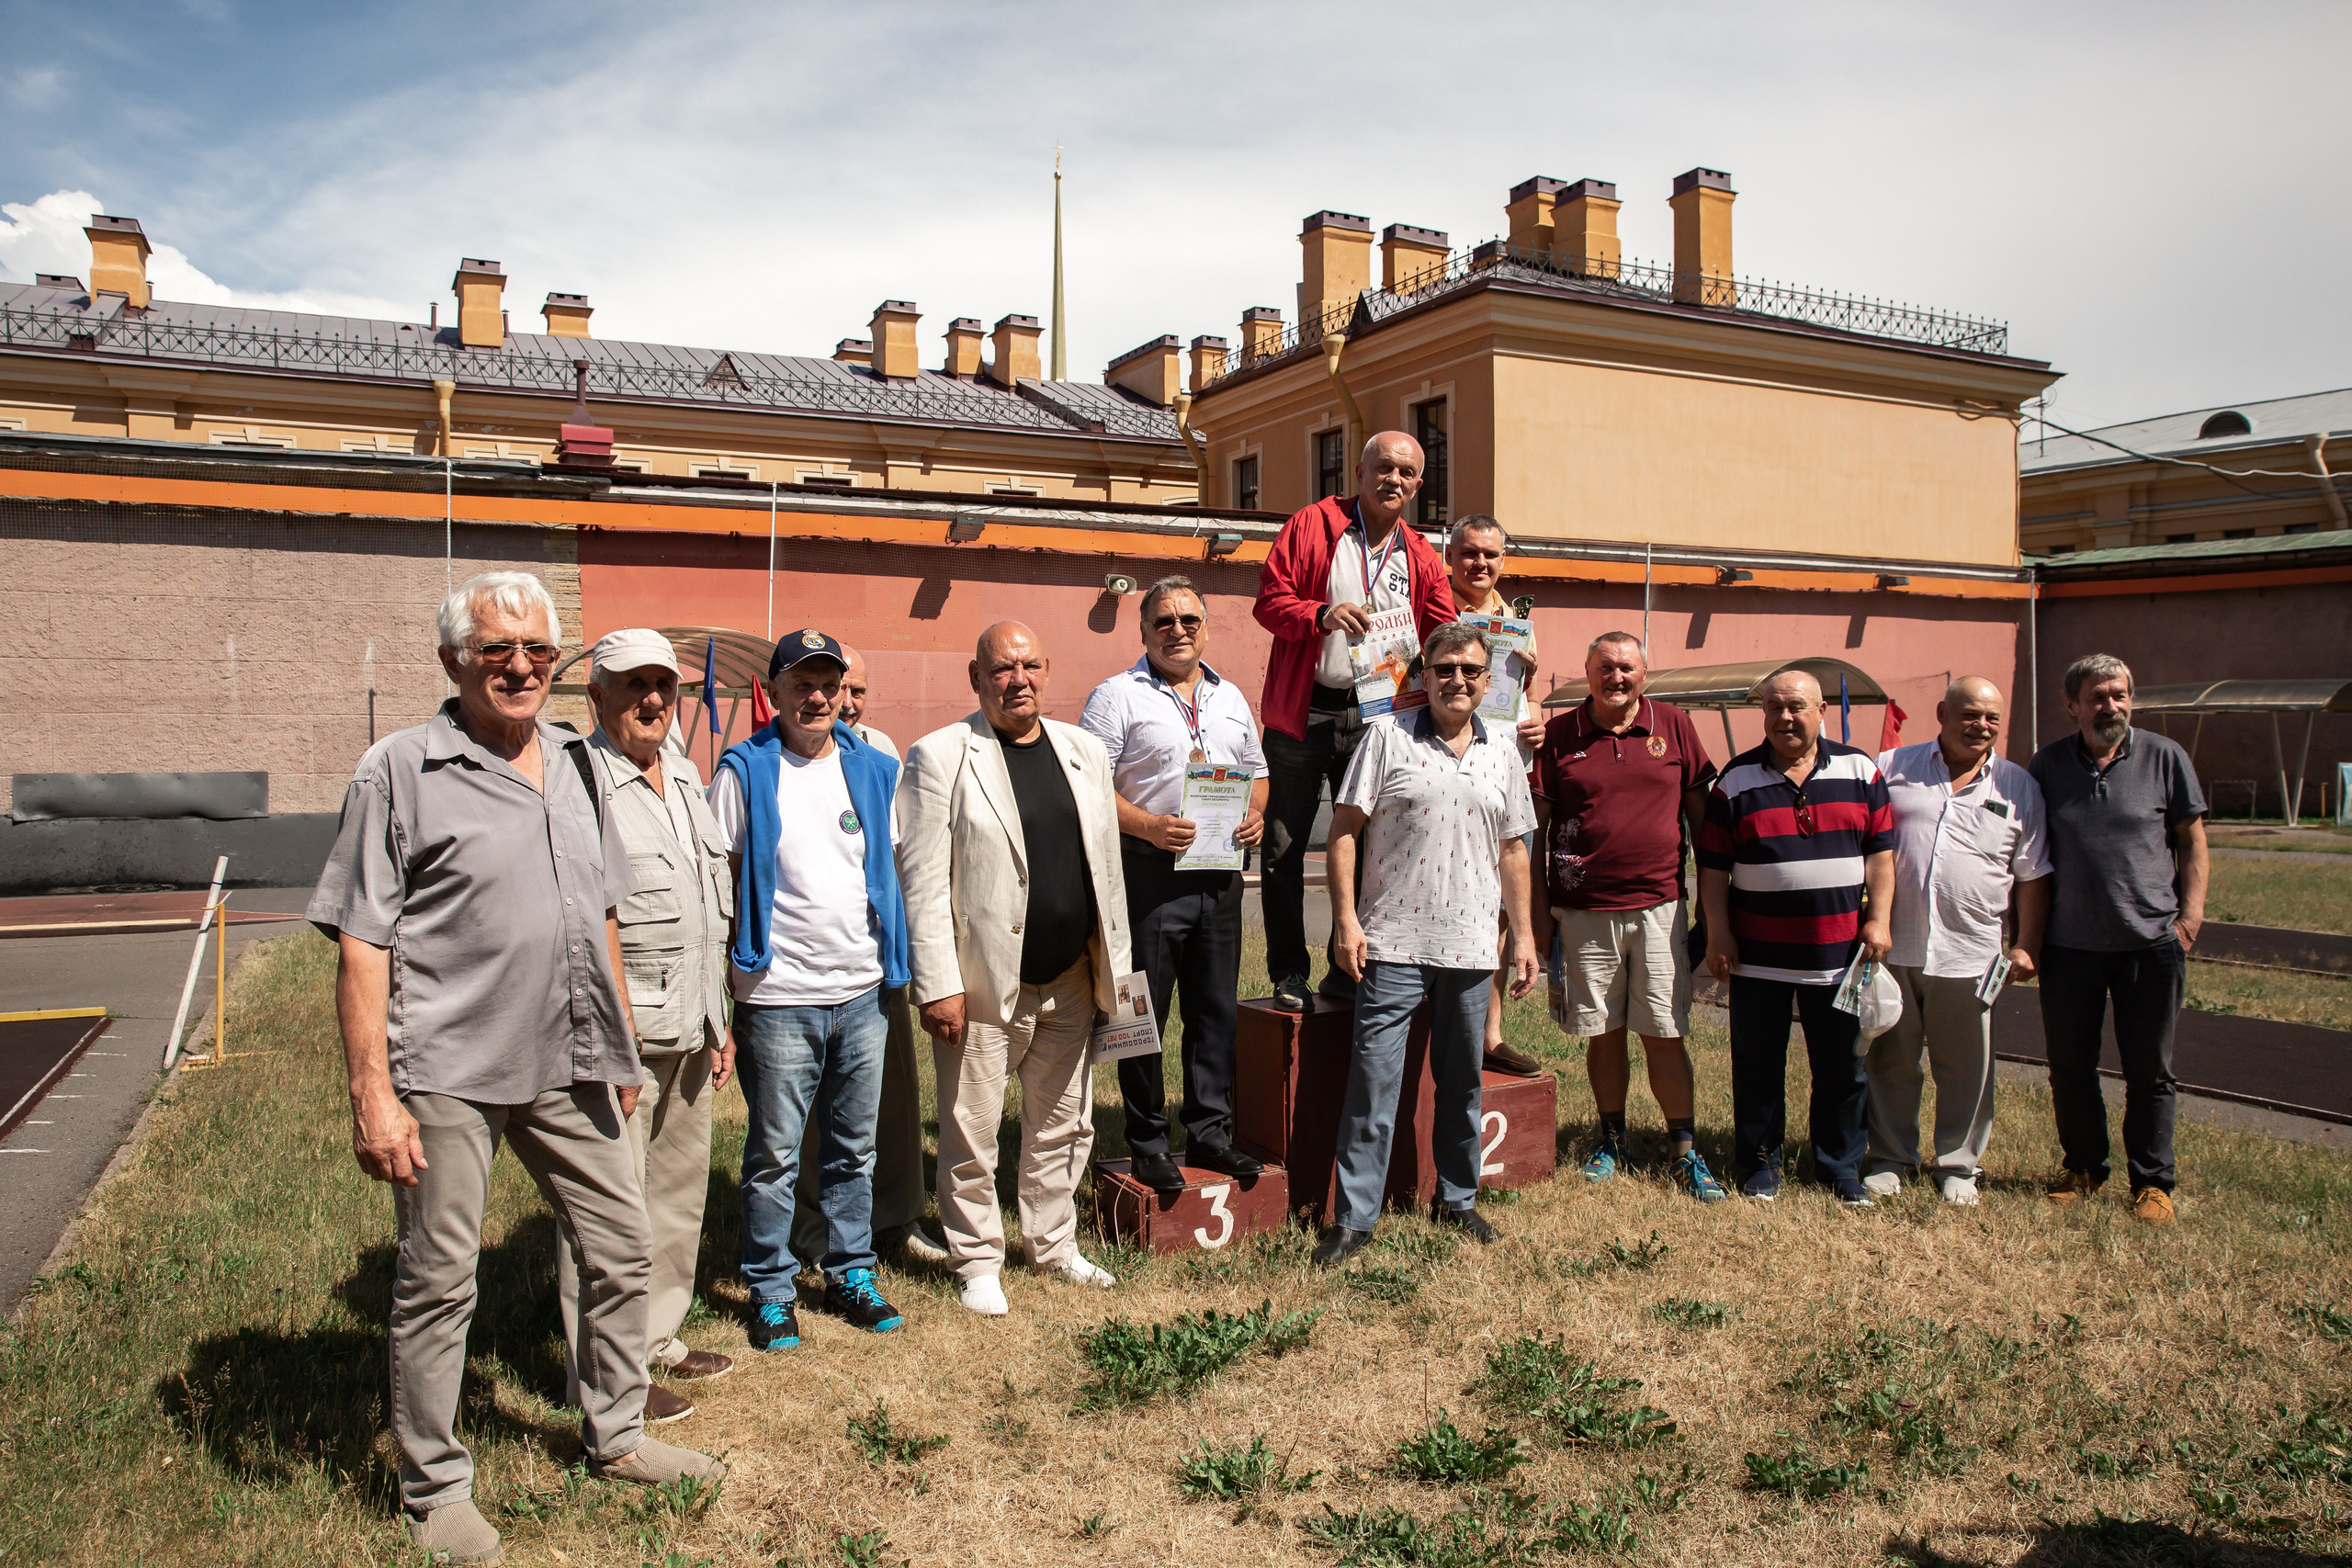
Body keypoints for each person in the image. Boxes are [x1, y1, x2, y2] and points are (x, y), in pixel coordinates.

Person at [310, 571, 720, 1564]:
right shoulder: (400, 770)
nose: (523, 667)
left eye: (539, 651)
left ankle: (616, 1433)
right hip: (447, 1067)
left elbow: (605, 913)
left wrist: (619, 1042)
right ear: (454, 659)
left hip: (572, 1061)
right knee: (440, 1281)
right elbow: (363, 942)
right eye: (499, 650)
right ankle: (435, 1489)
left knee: (623, 1248)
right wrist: (374, 1094)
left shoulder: (581, 765)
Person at [897, 621, 1133, 1315]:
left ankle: (1053, 1242)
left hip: (1069, 977)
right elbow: (922, 880)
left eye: (1029, 665)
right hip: (980, 984)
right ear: (976, 678)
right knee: (971, 1126)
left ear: (1047, 669)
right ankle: (976, 1257)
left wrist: (1113, 965)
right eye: (1001, 668)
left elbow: (1105, 867)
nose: (1016, 679)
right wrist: (937, 982)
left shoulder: (1085, 751)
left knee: (1063, 1122)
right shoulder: (940, 756)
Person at [709, 629, 910, 1350]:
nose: (818, 696)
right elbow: (719, 883)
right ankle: (770, 1285)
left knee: (854, 1149)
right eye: (802, 682)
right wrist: (718, 999)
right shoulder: (744, 772)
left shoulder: (876, 769)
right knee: (775, 1155)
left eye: (829, 682)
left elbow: (890, 868)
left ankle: (850, 1270)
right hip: (777, 996)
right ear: (775, 693)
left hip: (861, 995)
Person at [1314, 623, 1539, 1266]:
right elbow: (1344, 831)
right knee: (1374, 1084)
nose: (1457, 681)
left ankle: (1458, 1199)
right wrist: (1345, 922)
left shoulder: (1503, 754)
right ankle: (1356, 1219)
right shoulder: (1385, 738)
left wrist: (1522, 936)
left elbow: (1515, 848)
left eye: (1470, 670)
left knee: (1462, 1082)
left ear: (1487, 680)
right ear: (1423, 674)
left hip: (1471, 948)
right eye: (1444, 669)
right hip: (1392, 943)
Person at [555, 629, 736, 1425]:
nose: (653, 700)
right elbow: (589, 921)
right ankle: (599, 1372)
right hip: (621, 1038)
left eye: (664, 684)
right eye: (633, 685)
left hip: (692, 1025)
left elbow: (705, 907)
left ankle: (656, 1335)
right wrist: (612, 1037)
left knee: (673, 1198)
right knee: (607, 1212)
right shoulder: (578, 781)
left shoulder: (689, 775)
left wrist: (720, 1020)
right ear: (596, 697)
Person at [1252, 431, 1457, 1011]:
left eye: (1407, 472)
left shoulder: (1420, 553)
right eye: (1384, 467)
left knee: (1372, 849)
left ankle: (1352, 973)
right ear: (1360, 473)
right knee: (1284, 848)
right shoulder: (1312, 526)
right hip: (1304, 711)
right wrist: (1320, 614)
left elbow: (1446, 630)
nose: (1394, 479)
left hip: (1379, 717)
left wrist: (1505, 654)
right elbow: (1269, 602)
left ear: (1419, 485)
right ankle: (1288, 973)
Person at [1080, 576, 1271, 1194]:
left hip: (1220, 875)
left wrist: (1257, 812)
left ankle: (1210, 1133)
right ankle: (1147, 1142)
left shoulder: (1232, 696)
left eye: (1190, 619)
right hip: (1147, 872)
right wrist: (1148, 824)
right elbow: (1090, 787)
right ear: (1143, 631)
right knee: (1142, 1014)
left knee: (1214, 1011)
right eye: (1164, 621)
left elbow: (1258, 773)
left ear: (1206, 628)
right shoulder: (1115, 697)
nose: (1178, 630)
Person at [1530, 631, 1727, 1201]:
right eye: (1605, 668)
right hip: (1584, 912)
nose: (1617, 678)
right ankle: (1611, 1139)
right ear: (1587, 673)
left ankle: (1683, 1150)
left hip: (1662, 910)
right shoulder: (1560, 735)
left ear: (1645, 674)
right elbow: (1535, 834)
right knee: (1604, 1032)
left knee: (1664, 1032)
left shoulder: (1674, 726)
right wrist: (1540, 917)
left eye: (1628, 669)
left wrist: (1714, 913)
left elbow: (1703, 825)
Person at [1697, 669, 1894, 1208]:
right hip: (1757, 955)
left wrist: (1878, 921)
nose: (1786, 717)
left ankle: (1839, 1168)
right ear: (1763, 713)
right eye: (1776, 707)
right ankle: (1760, 1165)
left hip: (1838, 954)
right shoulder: (1735, 780)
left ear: (1822, 710)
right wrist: (1719, 933)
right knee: (1757, 1066)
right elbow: (1713, 869)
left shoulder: (1861, 770)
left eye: (1798, 706)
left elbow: (1881, 855)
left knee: (1841, 1068)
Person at [2030, 653, 2207, 1224]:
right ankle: (2083, 1167)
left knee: (2150, 1071)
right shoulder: (2048, 766)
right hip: (2069, 947)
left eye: (2120, 695)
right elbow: (2030, 856)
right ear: (2072, 705)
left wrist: (2190, 918)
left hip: (2151, 943)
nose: (2110, 706)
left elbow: (2192, 839)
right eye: (2098, 697)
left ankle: (2152, 1183)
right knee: (2070, 1066)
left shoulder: (2165, 757)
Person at [789, 646, 950, 1269]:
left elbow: (905, 855)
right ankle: (813, 1230)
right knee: (809, 1111)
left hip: (879, 957)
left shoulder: (883, 752)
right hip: (805, 971)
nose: (846, 701)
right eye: (835, 687)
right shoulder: (781, 753)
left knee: (894, 1099)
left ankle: (898, 1217)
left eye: (857, 689)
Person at [1866, 677, 2052, 1206]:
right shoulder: (1892, 768)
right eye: (1970, 714)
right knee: (1891, 1060)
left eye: (1992, 718)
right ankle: (1889, 1157)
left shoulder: (2018, 787)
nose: (1981, 726)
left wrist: (2026, 944)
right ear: (1943, 712)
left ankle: (1958, 1164)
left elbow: (2033, 873)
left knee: (1967, 1066)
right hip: (1896, 944)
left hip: (1972, 950)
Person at [1443, 513, 1550, 1077]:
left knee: (1505, 908)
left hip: (1506, 774)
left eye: (1490, 555)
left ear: (1503, 561)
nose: (1479, 564)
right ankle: (1436, 1026)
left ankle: (1490, 1035)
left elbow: (1520, 702)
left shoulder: (1520, 623)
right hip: (1445, 773)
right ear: (1450, 555)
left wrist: (1535, 723)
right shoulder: (1432, 609)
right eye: (1469, 553)